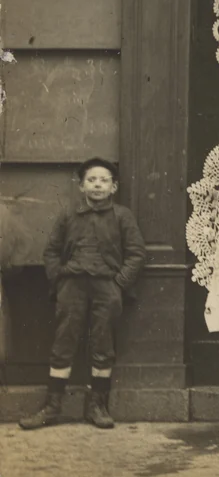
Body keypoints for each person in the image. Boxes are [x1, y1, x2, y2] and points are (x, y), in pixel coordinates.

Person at [19, 157, 147, 430]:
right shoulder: (68, 215)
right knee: (64, 341)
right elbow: (51, 252)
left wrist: (118, 284)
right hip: (72, 286)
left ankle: (97, 405)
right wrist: (60, 279)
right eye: (91, 180)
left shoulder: (122, 216)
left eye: (104, 180)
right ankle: (52, 407)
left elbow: (136, 254)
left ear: (114, 187)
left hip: (106, 287)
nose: (97, 185)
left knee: (103, 343)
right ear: (81, 186)